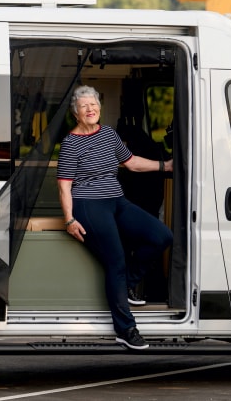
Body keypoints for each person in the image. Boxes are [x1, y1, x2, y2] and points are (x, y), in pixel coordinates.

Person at [57, 85, 173, 350]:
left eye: (94, 104)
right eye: (84, 106)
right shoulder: (71, 143)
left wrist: (164, 166)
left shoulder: (109, 134)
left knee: (161, 236)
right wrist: (69, 219)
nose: (90, 109)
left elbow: (131, 163)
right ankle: (125, 329)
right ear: (76, 112)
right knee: (116, 262)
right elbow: (64, 185)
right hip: (88, 205)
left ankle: (129, 285)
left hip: (116, 200)